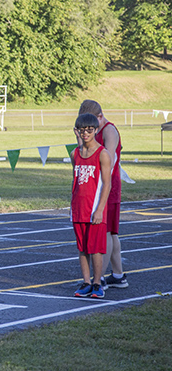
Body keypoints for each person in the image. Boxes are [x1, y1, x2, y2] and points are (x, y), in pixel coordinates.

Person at [78, 100, 127, 289]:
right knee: (112, 233)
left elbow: (110, 159)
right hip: (95, 185)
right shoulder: (95, 130)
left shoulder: (108, 130)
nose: (88, 130)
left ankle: (101, 278)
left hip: (107, 186)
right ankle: (118, 274)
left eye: (91, 125)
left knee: (106, 231)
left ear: (99, 117)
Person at [70, 113, 111, 299]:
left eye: (89, 130)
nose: (85, 133)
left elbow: (107, 184)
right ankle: (86, 282)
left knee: (95, 249)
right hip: (78, 208)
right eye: (81, 130)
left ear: (95, 130)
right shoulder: (75, 154)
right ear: (76, 131)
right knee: (83, 248)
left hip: (94, 209)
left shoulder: (103, 154)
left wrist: (100, 209)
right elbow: (76, 182)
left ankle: (97, 282)